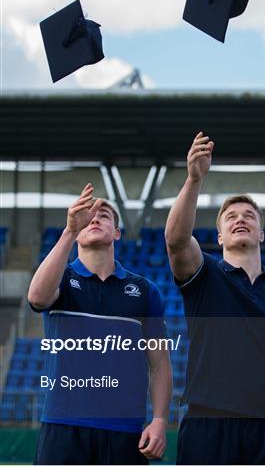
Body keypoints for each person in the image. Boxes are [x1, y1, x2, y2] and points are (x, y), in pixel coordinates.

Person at [165, 132, 265, 465]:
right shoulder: (205, 274)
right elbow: (177, 240)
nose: (241, 218)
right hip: (207, 421)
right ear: (219, 235)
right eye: (231, 217)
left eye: (249, 216)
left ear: (262, 234)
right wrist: (194, 179)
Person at [28, 184, 172, 465]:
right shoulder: (61, 280)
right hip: (63, 426)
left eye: (104, 215)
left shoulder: (144, 291)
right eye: (87, 216)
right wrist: (69, 231)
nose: (94, 218)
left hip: (124, 431)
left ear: (117, 233)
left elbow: (159, 363)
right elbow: (37, 297)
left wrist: (159, 420)